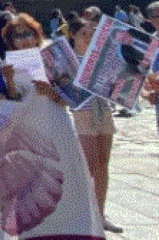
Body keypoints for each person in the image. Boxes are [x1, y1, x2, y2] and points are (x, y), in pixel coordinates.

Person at [64, 16, 122, 233]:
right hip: (84, 113)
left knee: (103, 165)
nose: (88, 37)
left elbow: (115, 86)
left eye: (91, 34)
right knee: (89, 166)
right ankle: (84, 214)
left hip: (103, 110)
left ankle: (100, 212)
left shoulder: (100, 58)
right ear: (73, 35)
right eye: (84, 34)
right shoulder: (69, 59)